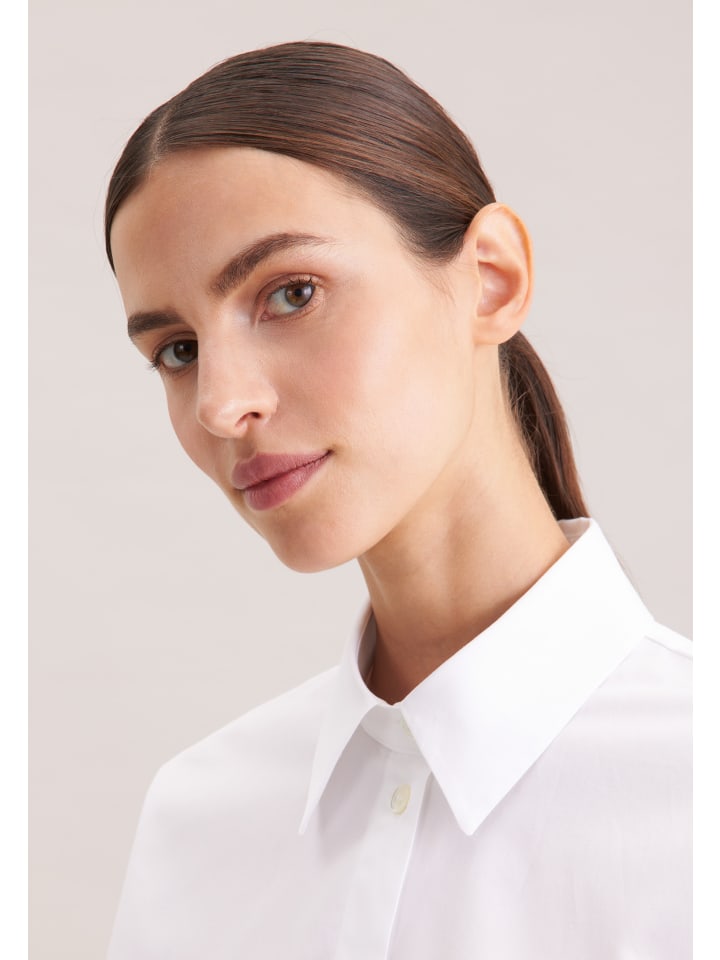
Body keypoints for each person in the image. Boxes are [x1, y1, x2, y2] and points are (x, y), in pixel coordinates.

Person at [104, 41, 691, 960]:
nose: (221, 404)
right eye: (177, 350)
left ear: (491, 278)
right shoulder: (197, 822)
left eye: (291, 294)